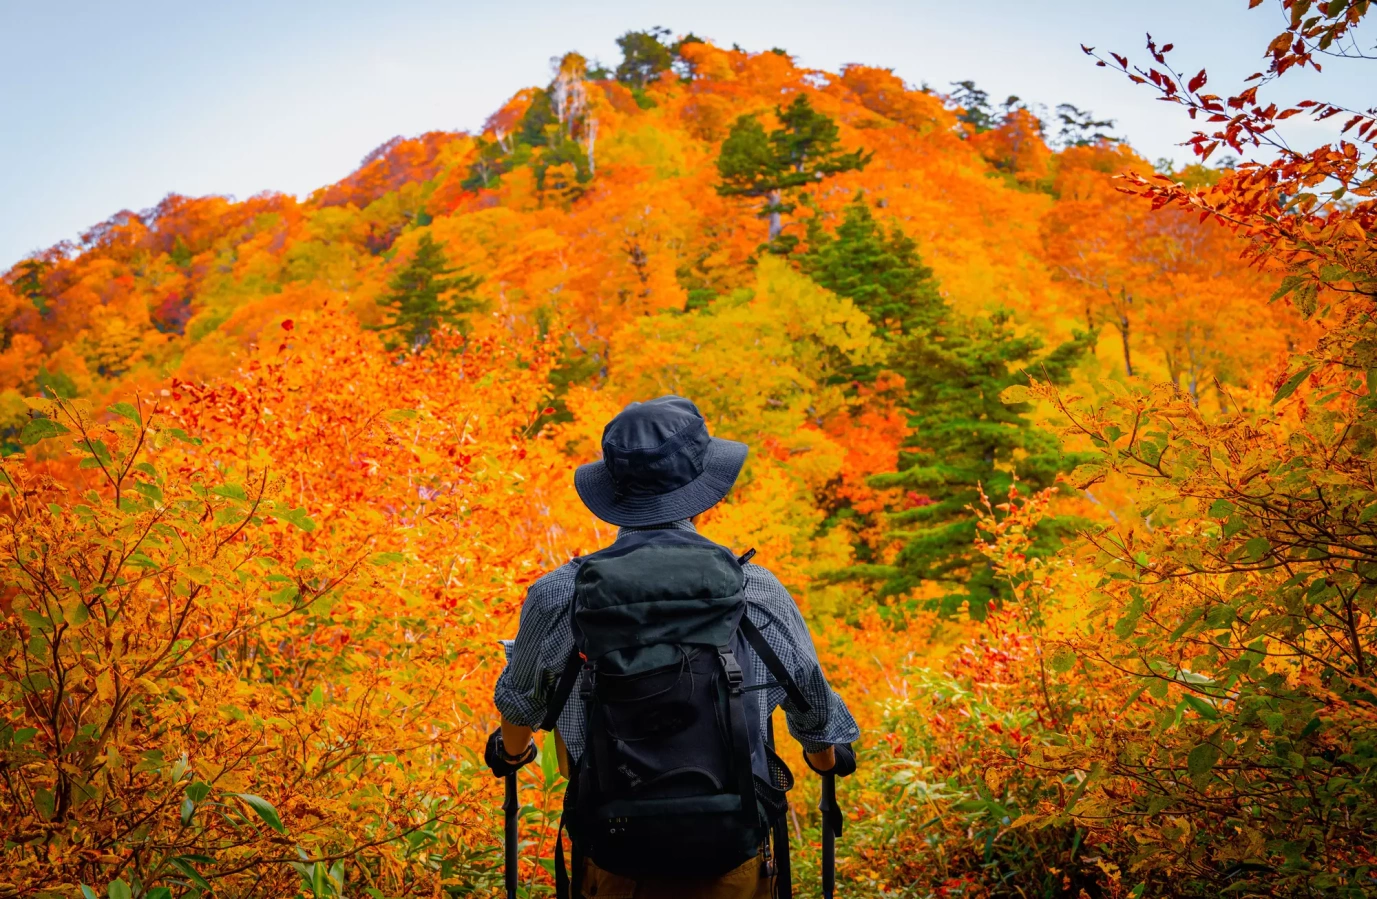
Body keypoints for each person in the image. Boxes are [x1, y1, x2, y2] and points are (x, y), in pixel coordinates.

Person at [486, 395, 859, 899]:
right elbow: (811, 703)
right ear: (704, 492)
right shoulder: (752, 588)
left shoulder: (561, 593)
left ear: (614, 492)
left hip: (616, 857)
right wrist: (824, 757)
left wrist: (512, 753)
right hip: (731, 857)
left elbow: (521, 704)